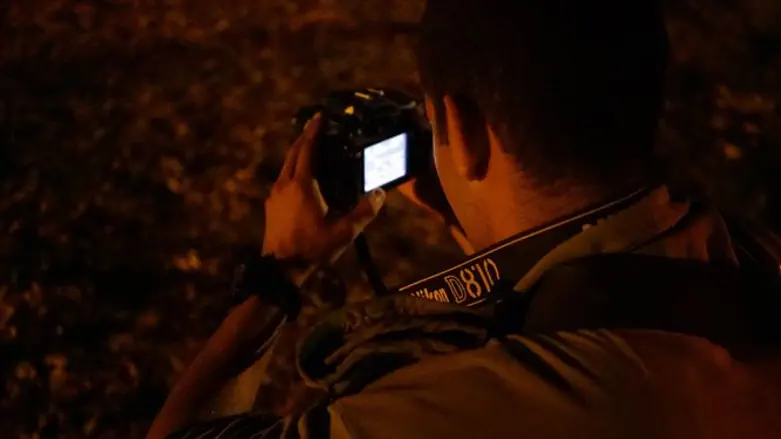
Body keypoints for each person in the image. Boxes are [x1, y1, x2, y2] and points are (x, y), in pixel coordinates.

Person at [147, 1, 781, 438]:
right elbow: (594, 288)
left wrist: (278, 274)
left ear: (466, 133)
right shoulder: (752, 258)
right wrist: (488, 224)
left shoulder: (454, 408)